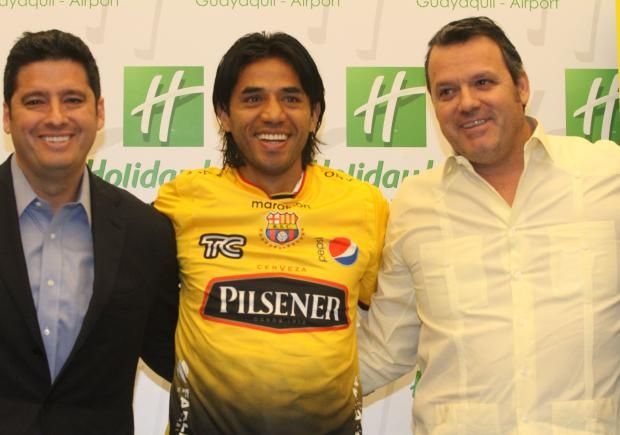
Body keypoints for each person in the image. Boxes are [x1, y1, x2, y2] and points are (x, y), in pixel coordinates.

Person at [358, 16, 620, 434]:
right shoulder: (414, 204)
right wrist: (270, 396)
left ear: (522, 87)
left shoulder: (607, 174)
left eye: (483, 82)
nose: (466, 103)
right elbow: (385, 350)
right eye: (447, 91)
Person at [155, 31, 388, 435]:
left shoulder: (364, 205)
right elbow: (137, 312)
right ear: (223, 115)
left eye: (291, 99)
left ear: (315, 115)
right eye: (252, 99)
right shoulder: (182, 199)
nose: (273, 114)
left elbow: (392, 321)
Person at [0, 29, 179, 435]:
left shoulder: (146, 232)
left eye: (72, 100)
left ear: (99, 113)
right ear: (7, 116)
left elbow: (178, 357)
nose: (56, 117)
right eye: (35, 101)